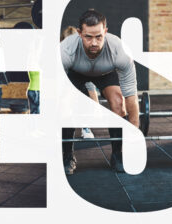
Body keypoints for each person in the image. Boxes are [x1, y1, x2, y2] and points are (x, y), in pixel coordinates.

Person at [60, 9, 140, 174]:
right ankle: (67, 156)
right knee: (65, 104)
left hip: (106, 73)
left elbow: (131, 95)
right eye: (88, 37)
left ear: (106, 32)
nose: (94, 43)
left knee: (119, 103)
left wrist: (134, 135)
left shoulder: (120, 51)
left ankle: (118, 155)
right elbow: (57, 92)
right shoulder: (66, 50)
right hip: (76, 73)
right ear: (79, 33)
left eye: (99, 36)